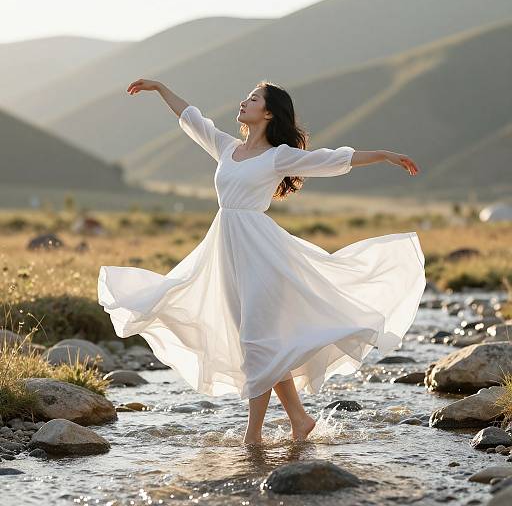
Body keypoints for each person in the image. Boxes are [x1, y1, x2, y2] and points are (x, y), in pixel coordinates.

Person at [98, 79, 425, 446]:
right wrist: (160, 88)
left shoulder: (278, 156)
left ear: (267, 112)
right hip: (226, 252)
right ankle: (299, 420)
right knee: (261, 342)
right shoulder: (227, 147)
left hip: (263, 255)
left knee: (257, 341)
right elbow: (192, 119)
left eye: (253, 98)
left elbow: (332, 159)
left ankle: (252, 437)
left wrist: (382, 155)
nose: (244, 101)